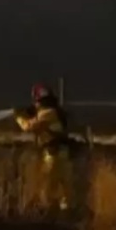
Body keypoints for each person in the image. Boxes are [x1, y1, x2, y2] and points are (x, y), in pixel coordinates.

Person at [13, 83, 73, 212]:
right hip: (61, 152)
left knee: (47, 181)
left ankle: (47, 209)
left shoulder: (48, 113)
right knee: (61, 183)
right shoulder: (53, 112)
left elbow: (28, 126)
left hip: (53, 154)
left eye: (36, 102)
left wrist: (18, 117)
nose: (35, 104)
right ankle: (63, 210)